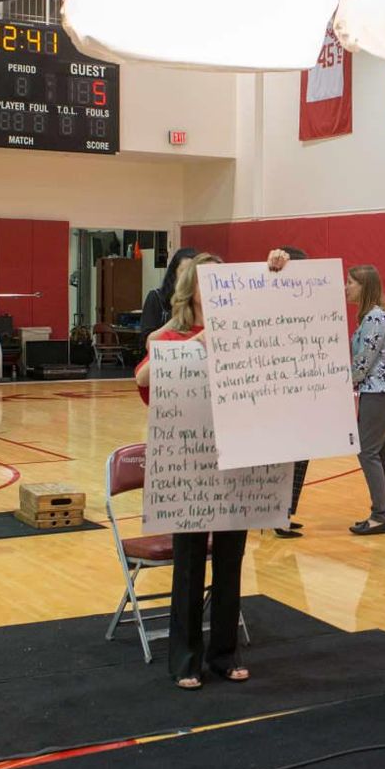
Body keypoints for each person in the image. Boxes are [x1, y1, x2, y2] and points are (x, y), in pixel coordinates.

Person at [135, 253, 250, 691]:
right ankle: (185, 657)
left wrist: (277, 265)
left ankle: (225, 653)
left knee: (229, 560)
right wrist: (185, 349)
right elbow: (143, 379)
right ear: (192, 288)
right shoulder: (170, 333)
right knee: (188, 563)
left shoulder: (241, 330)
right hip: (189, 462)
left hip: (237, 459)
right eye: (210, 281)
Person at [346, 264, 385, 536]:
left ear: (365, 286)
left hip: (379, 391)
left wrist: (343, 381)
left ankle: (380, 513)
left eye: (350, 283)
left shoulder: (374, 319)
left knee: (367, 450)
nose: (346, 288)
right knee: (382, 449)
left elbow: (363, 362)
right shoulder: (375, 317)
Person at [267, 245, 310, 539]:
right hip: (277, 388)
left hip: (303, 388)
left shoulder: (308, 301)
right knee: (280, 454)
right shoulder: (271, 294)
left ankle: (285, 512)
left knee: (301, 454)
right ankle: (275, 513)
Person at [139, 247, 198, 351]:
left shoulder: (199, 302)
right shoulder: (156, 297)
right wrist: (179, 318)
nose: (188, 277)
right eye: (183, 272)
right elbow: (147, 342)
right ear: (174, 273)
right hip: (164, 360)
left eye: (193, 273)